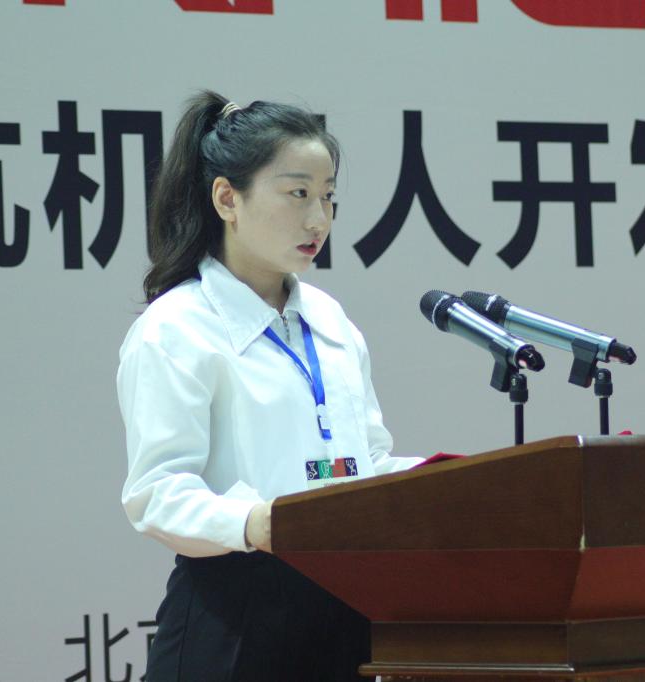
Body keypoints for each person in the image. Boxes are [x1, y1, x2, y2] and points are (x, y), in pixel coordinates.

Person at [117, 90, 420, 681]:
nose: (318, 220)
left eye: (328, 197)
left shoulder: (330, 319)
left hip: (344, 612)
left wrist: (438, 484)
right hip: (233, 614)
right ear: (227, 198)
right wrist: (255, 522)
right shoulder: (176, 327)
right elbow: (156, 493)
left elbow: (366, 460)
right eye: (297, 194)